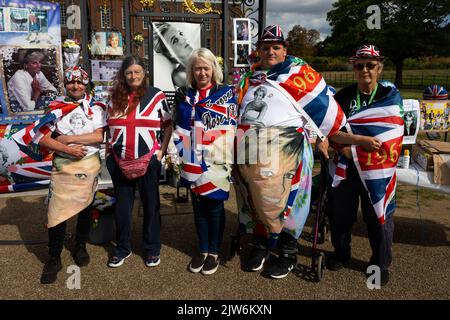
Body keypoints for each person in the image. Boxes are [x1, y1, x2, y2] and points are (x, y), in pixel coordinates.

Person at [234, 25, 346, 279]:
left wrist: (321, 137)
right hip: (251, 151)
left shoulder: (300, 76)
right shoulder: (247, 79)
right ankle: (262, 246)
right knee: (256, 199)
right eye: (265, 47)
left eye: (276, 47)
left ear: (285, 50)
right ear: (258, 51)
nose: (270, 51)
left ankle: (287, 252)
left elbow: (322, 109)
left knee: (287, 201)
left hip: (288, 152)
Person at [12, 66, 107, 284]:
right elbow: (41, 137)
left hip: (89, 166)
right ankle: (54, 258)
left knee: (85, 209)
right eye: (71, 82)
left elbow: (99, 136)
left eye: (80, 82)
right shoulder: (55, 108)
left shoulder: (97, 107)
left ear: (86, 84)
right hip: (64, 167)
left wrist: (66, 140)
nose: (75, 86)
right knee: (56, 214)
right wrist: (67, 148)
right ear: (66, 85)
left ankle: (80, 246)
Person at [326, 45, 404, 286]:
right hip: (345, 166)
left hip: (377, 170)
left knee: (379, 218)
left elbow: (393, 134)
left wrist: (355, 148)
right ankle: (341, 254)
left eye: (370, 65)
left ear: (379, 67)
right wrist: (352, 147)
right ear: (354, 68)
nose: (365, 70)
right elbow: (332, 132)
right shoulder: (342, 97)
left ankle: (380, 264)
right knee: (340, 215)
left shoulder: (389, 98)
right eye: (359, 66)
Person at [173, 48, 237, 275]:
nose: (202, 73)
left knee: (215, 207)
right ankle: (202, 250)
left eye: (206, 68)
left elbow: (231, 127)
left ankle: (214, 252)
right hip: (192, 158)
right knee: (199, 207)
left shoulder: (226, 94)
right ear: (191, 71)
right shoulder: (183, 94)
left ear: (213, 69)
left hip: (217, 160)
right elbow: (179, 128)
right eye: (197, 68)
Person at [106, 56, 173, 268]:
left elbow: (168, 125)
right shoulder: (114, 97)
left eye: (137, 72)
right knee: (123, 208)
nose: (133, 76)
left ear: (144, 73)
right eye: (129, 72)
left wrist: (161, 153)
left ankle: (152, 248)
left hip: (148, 160)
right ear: (123, 75)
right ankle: (122, 247)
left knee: (151, 205)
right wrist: (109, 153)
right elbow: (105, 127)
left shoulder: (157, 95)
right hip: (120, 160)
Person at [153, 22, 194, 89]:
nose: (183, 39)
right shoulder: (180, 76)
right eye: (175, 40)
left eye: (181, 34)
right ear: (169, 53)